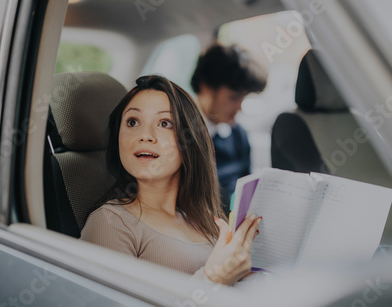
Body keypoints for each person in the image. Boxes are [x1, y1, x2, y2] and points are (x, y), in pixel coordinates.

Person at [80, 75, 261, 286]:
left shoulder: (205, 220)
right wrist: (213, 280)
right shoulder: (110, 222)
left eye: (164, 123)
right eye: (132, 122)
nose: (145, 135)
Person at [191, 43, 267, 214]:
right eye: (234, 98)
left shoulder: (239, 136)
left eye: (243, 99)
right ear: (206, 88)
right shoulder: (179, 138)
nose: (239, 108)